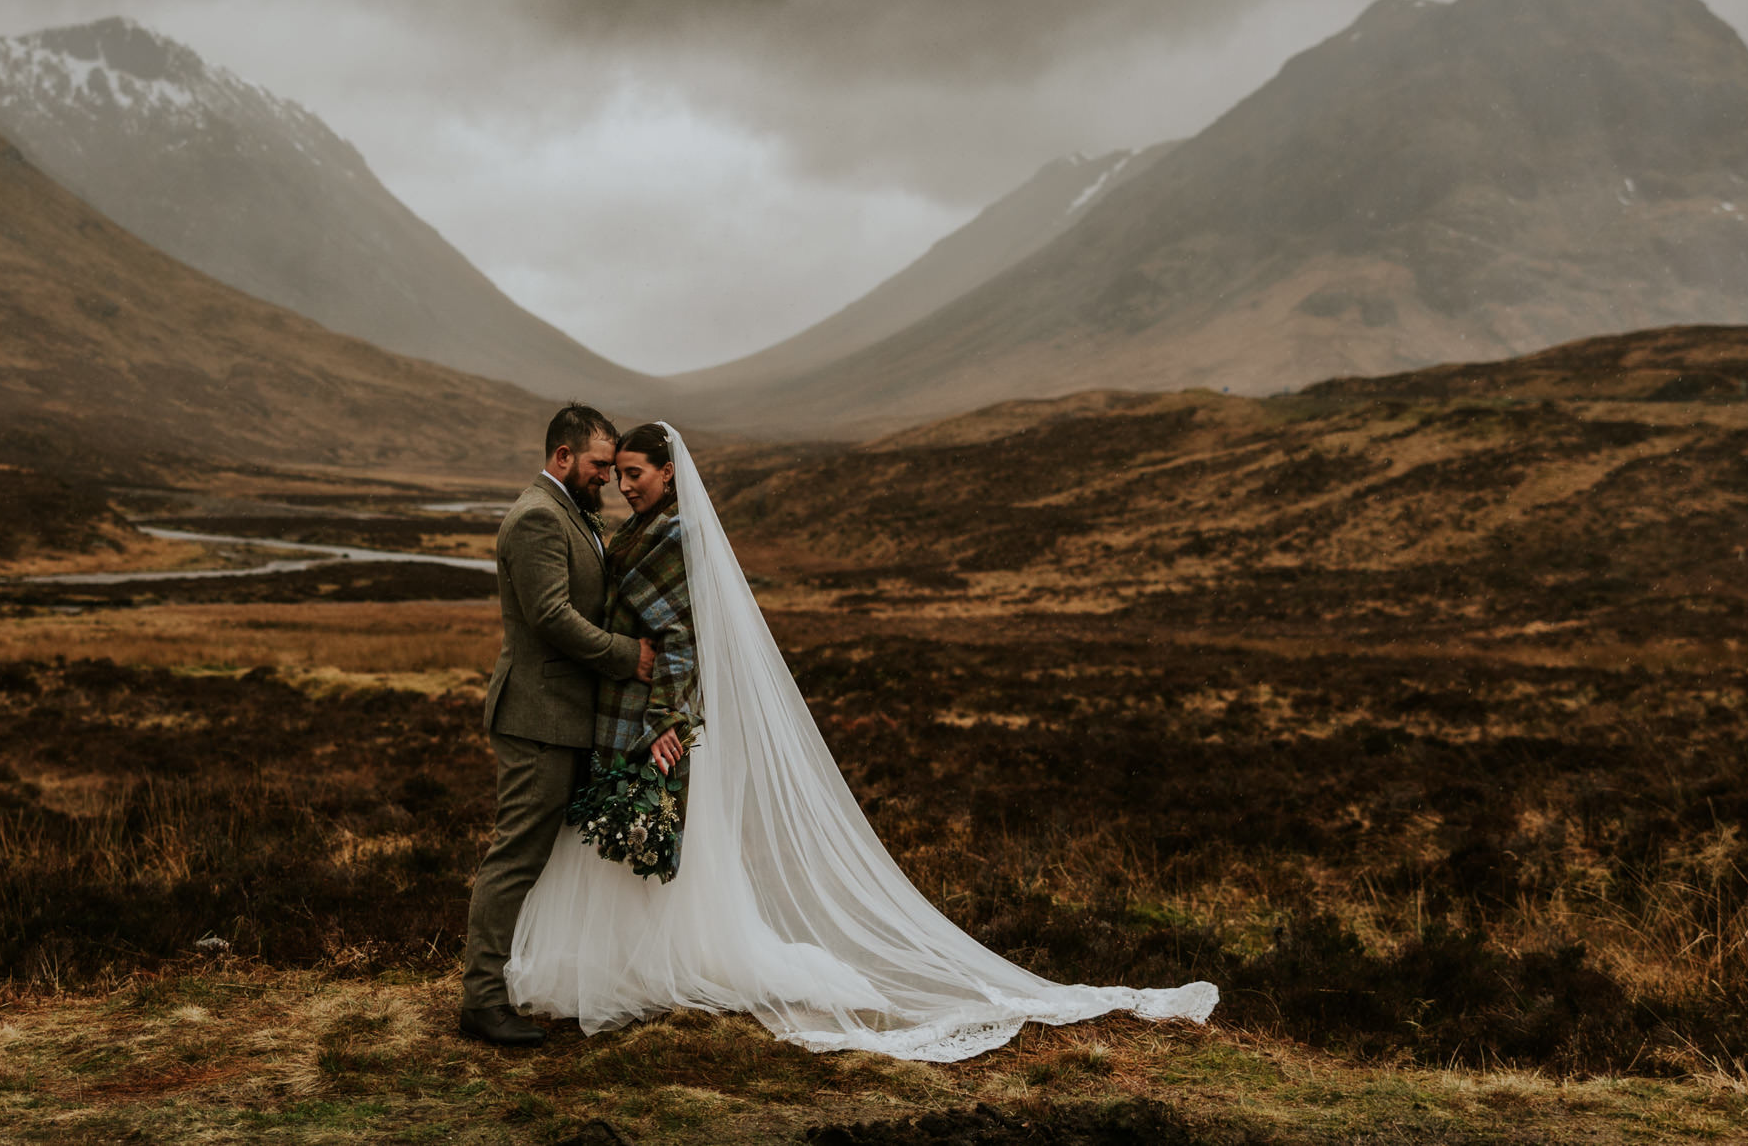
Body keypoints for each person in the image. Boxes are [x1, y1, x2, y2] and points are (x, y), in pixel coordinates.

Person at [505, 422, 1219, 1063]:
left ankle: (657, 970)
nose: (625, 485)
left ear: (669, 472)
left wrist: (666, 720)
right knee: (635, 849)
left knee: (659, 851)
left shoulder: (674, 534)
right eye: (618, 472)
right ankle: (631, 966)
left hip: (651, 719)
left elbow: (683, 639)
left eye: (637, 473)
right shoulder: (634, 530)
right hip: (621, 714)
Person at [458, 404, 657, 1048]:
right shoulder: (539, 517)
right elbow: (551, 617)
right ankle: (481, 1002)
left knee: (548, 856)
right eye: (600, 464)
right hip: (538, 717)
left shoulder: (573, 513)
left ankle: (539, 978)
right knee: (516, 855)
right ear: (563, 456)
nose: (607, 477)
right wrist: (630, 657)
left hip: (567, 717)